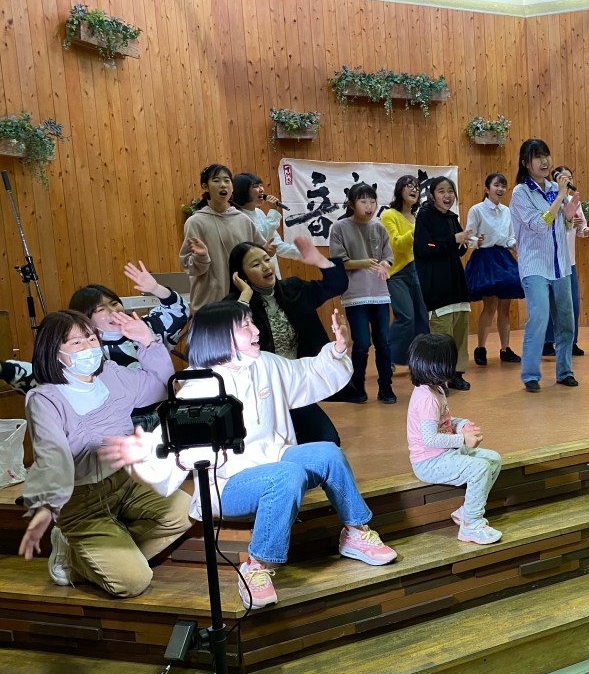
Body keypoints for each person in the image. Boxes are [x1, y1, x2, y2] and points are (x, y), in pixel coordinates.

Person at [100, 302, 397, 610]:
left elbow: (307, 373)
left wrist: (336, 350)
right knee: (287, 475)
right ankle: (256, 567)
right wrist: (145, 451)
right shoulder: (199, 386)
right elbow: (177, 445)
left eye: (252, 322)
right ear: (220, 337)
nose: (256, 330)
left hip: (276, 461)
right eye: (245, 326)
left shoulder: (264, 363)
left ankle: (356, 532)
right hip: (227, 485)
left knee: (327, 453)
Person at [17, 310, 191, 598]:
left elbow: (162, 389)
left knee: (187, 511)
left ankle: (109, 553)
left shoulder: (110, 374)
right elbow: (53, 459)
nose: (88, 347)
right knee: (133, 583)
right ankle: (73, 559)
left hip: (127, 482)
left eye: (91, 338)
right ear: (54, 352)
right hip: (82, 500)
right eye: (76, 343)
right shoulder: (44, 399)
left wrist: (148, 341)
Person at [1, 261, 189, 431]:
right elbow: (51, 375)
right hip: (117, 423)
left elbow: (179, 311)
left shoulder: (143, 327)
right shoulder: (87, 350)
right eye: (101, 309)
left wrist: (156, 288)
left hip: (160, 411)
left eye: (114, 303)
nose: (113, 311)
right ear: (85, 319)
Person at [227, 235, 348, 444]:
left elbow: (337, 285)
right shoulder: (235, 304)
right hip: (259, 390)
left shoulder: (293, 289)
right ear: (241, 275)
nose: (266, 266)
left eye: (267, 259)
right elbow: (232, 332)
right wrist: (245, 295)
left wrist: (319, 260)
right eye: (255, 264)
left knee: (328, 440)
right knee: (274, 445)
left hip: (293, 384)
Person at [406, 333, 502, 545]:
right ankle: (471, 524)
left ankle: (466, 512)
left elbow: (444, 420)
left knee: (493, 459)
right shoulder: (427, 399)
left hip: (445, 454)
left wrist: (462, 425)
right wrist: (463, 439)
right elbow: (430, 439)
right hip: (429, 462)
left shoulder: (435, 388)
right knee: (479, 468)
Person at [509, 139, 577, 393]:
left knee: (567, 322)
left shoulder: (554, 187)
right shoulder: (520, 193)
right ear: (526, 163)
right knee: (538, 317)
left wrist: (568, 217)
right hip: (535, 265)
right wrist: (560, 197)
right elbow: (538, 225)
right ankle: (530, 374)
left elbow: (565, 226)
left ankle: (565, 371)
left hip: (560, 264)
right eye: (537, 156)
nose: (544, 161)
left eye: (546, 155)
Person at [329, 183, 396, 404]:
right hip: (355, 295)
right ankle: (357, 387)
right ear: (351, 204)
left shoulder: (379, 228)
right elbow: (339, 262)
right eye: (363, 201)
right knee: (361, 344)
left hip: (380, 293)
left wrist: (385, 264)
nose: (369, 206)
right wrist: (364, 263)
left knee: (383, 342)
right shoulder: (339, 228)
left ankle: (386, 387)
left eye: (373, 201)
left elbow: (388, 256)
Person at [180, 163, 268, 310]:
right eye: (216, 180)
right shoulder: (196, 222)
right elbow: (189, 267)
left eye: (227, 180)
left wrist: (267, 251)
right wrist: (201, 257)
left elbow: (259, 252)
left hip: (244, 300)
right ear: (205, 186)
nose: (223, 185)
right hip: (210, 304)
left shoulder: (243, 219)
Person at [414, 176, 473, 392]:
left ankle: (457, 374)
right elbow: (424, 247)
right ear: (432, 195)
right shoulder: (425, 215)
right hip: (436, 282)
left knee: (460, 330)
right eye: (441, 191)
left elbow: (457, 250)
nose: (447, 195)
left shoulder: (451, 217)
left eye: (450, 191)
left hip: (455, 281)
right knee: (441, 334)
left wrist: (466, 242)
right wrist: (453, 240)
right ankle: (438, 378)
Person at [542, 165, 589, 357]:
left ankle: (571, 341)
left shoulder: (573, 201)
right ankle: (548, 342)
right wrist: (566, 221)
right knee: (550, 303)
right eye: (563, 177)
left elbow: (582, 231)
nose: (567, 180)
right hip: (550, 261)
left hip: (569, 261)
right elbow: (544, 226)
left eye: (570, 177)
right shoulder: (549, 200)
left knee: (573, 303)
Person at [465, 173, 523, 366]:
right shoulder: (477, 210)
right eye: (496, 185)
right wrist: (477, 241)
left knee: (505, 308)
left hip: (503, 258)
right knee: (489, 306)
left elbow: (510, 237)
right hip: (485, 259)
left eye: (503, 186)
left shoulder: (507, 211)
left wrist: (515, 245)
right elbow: (469, 237)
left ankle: (505, 349)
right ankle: (480, 348)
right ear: (487, 188)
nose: (500, 189)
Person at [380, 176, 430, 367]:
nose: (414, 189)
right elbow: (395, 245)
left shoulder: (418, 217)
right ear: (399, 190)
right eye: (409, 186)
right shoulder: (389, 215)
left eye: (416, 187)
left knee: (423, 318)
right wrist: (414, 233)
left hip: (418, 271)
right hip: (396, 273)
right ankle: (387, 355)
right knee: (406, 317)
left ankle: (421, 360)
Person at [231, 172, 303, 278]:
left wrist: (300, 252)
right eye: (255, 186)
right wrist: (273, 211)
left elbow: (275, 243)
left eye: (261, 185)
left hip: (270, 268)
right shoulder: (238, 216)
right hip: (253, 273)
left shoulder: (259, 212)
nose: (261, 189)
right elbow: (262, 237)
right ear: (242, 191)